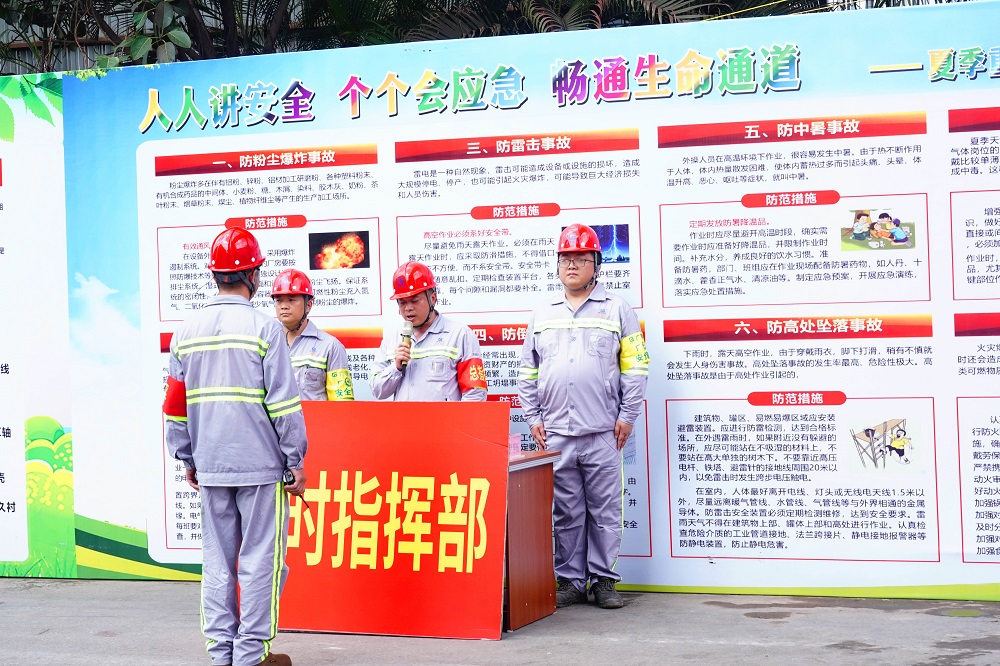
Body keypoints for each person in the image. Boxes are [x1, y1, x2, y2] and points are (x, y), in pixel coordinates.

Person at [163, 227, 307, 666]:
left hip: (211, 465)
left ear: (215, 275)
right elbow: (283, 404)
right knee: (261, 561)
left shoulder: (186, 332)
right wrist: (295, 460)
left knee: (217, 561)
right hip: (261, 468)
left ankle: (221, 653)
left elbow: (174, 409)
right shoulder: (267, 329)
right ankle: (250, 654)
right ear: (254, 275)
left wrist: (187, 457)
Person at [517, 223, 649, 610]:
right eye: (565, 258)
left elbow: (636, 367)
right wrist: (533, 417)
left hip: (603, 431)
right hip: (556, 432)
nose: (571, 265)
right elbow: (527, 370)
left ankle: (603, 580)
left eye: (580, 257)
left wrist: (628, 415)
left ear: (596, 263)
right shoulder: (542, 313)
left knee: (606, 510)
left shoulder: (618, 309)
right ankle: (571, 581)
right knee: (566, 512)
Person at [369, 260, 487, 401]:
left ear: (433, 298)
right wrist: (396, 368)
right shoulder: (392, 338)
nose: (408, 308)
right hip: (402, 417)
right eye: (402, 302)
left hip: (445, 417)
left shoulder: (460, 334)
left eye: (415, 300)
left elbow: (475, 393)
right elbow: (377, 390)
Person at [271, 268, 355, 401]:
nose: (284, 306)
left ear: (308, 305)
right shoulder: (267, 344)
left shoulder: (330, 347)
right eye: (279, 300)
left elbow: (342, 402)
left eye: (291, 300)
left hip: (315, 416)